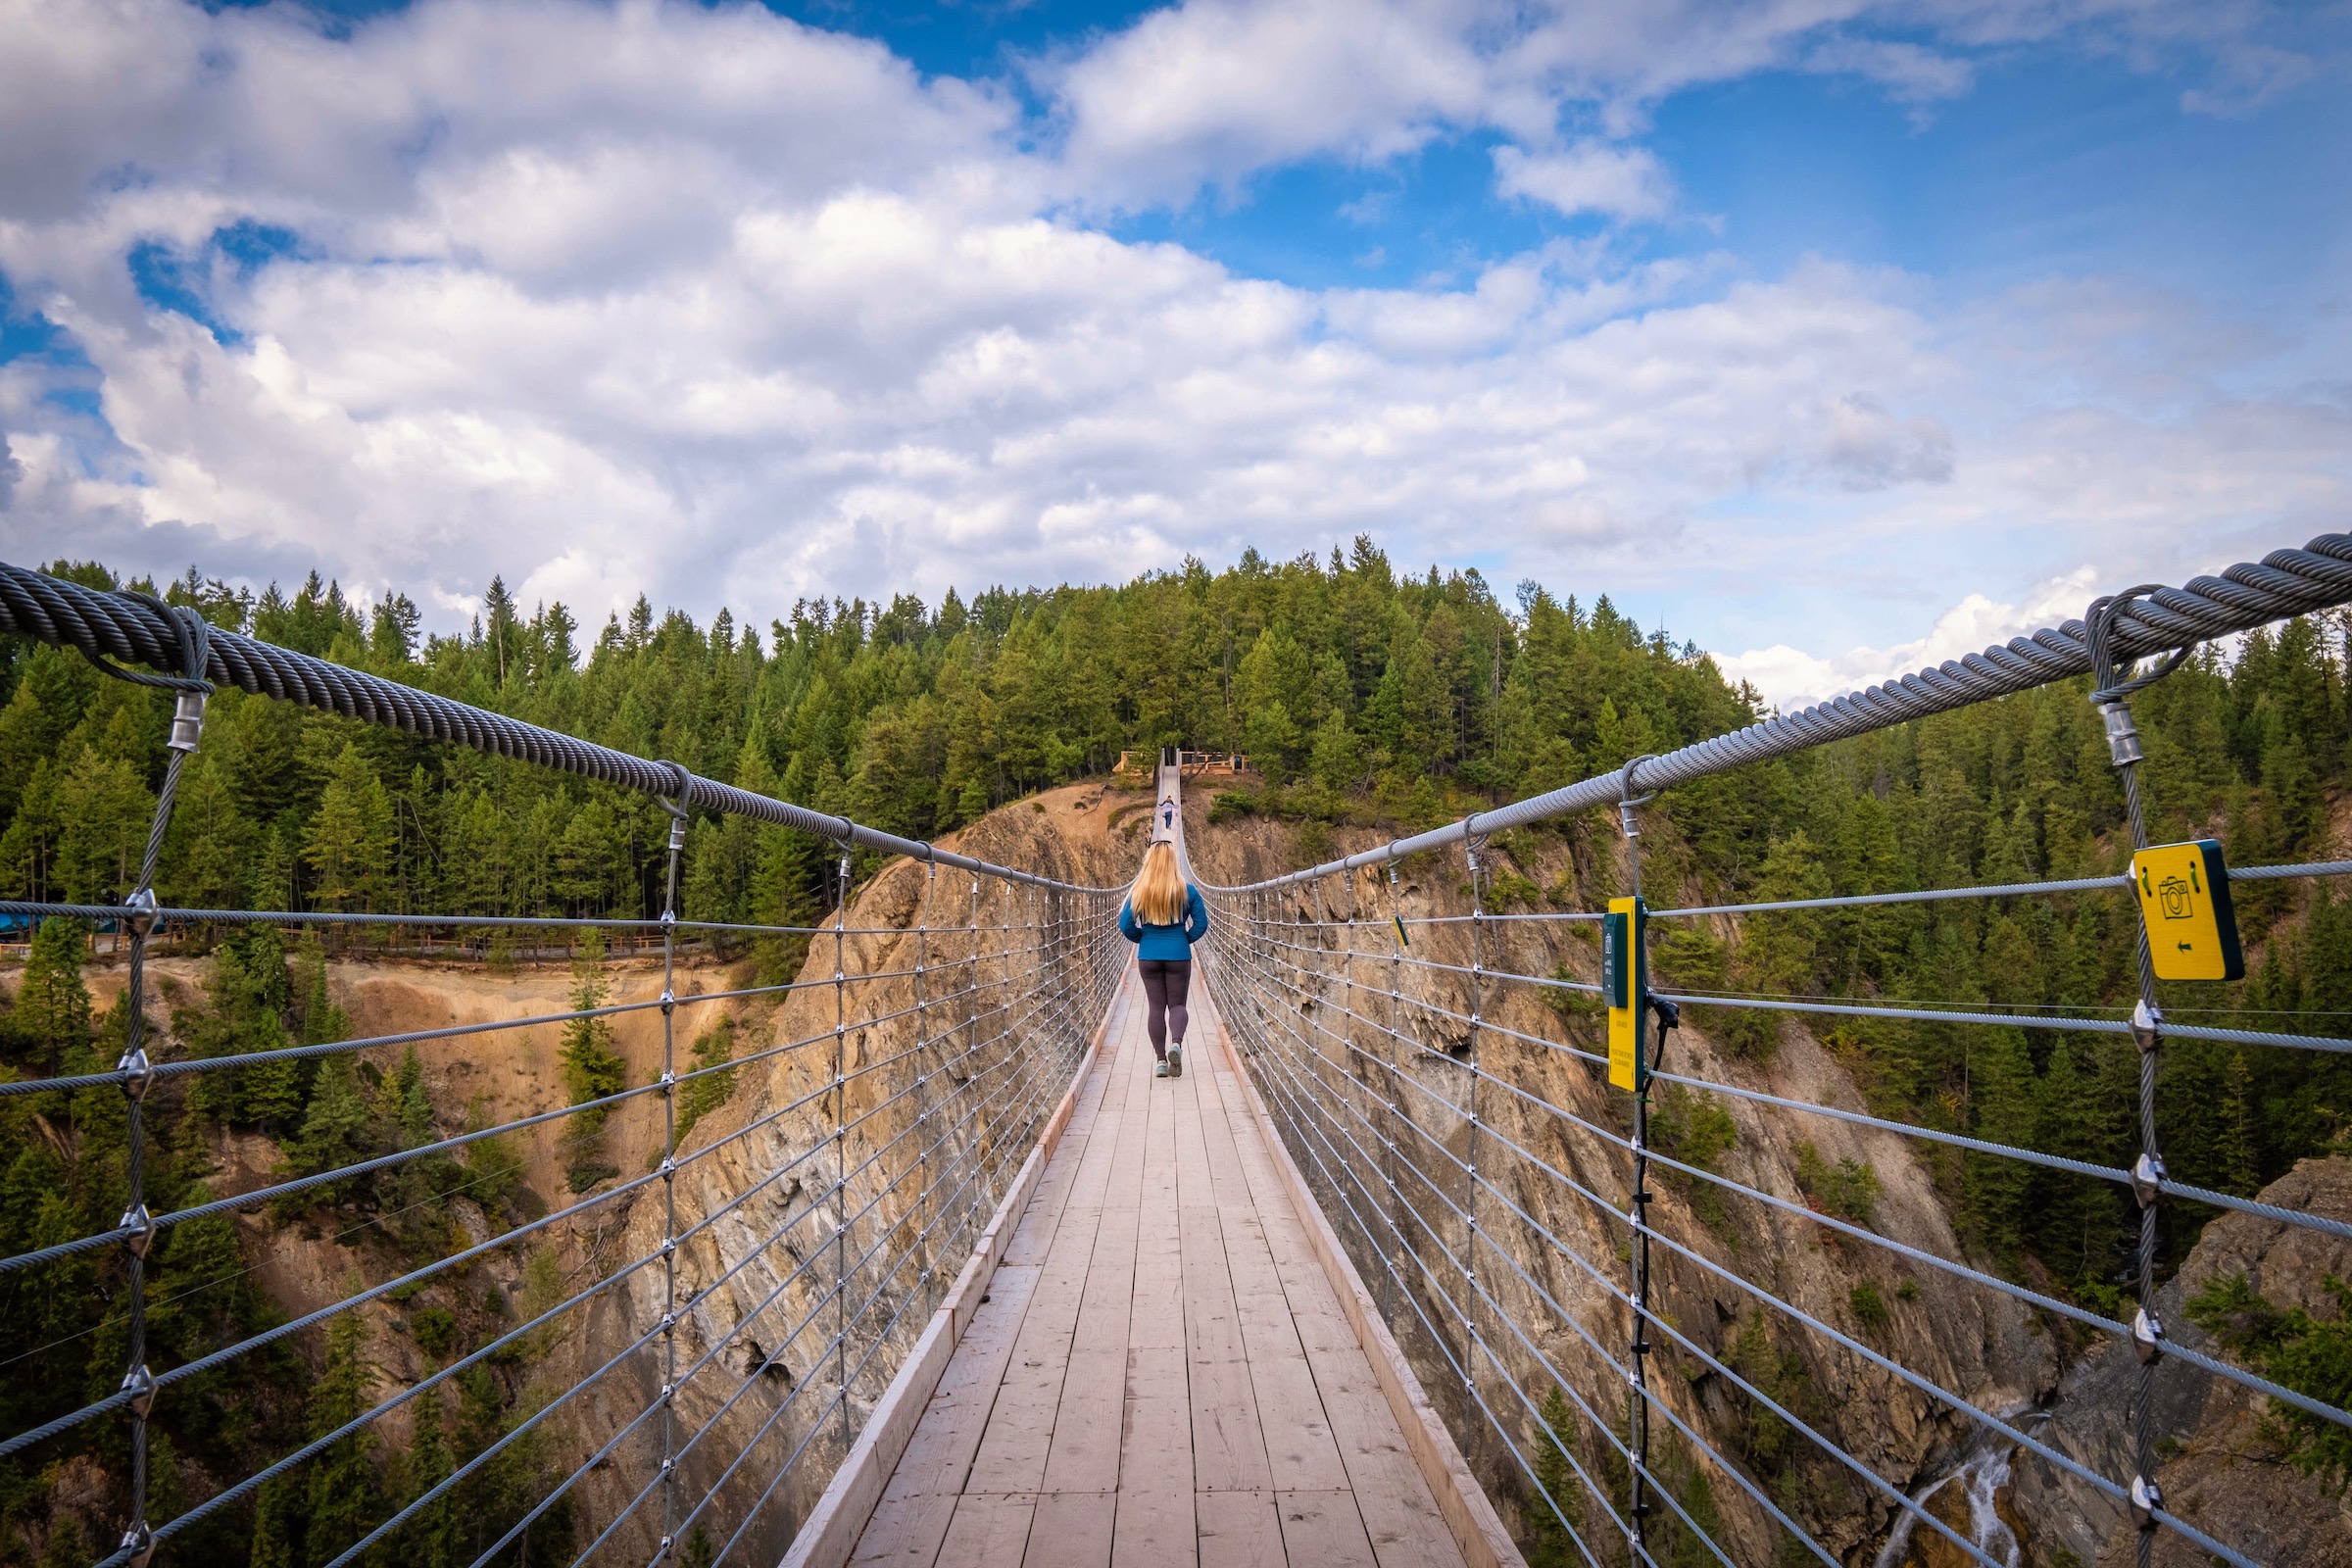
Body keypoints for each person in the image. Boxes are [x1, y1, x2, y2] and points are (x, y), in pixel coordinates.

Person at [1118, 840, 1208, 1078]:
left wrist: (1143, 938)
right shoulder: (1187, 890)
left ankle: (1160, 1061)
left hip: (1149, 955)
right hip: (1178, 955)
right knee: (1177, 1005)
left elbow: (1125, 925)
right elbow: (1201, 924)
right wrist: (1183, 939)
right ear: (1173, 862)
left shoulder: (1139, 891)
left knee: (1155, 1008)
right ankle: (1176, 1045)